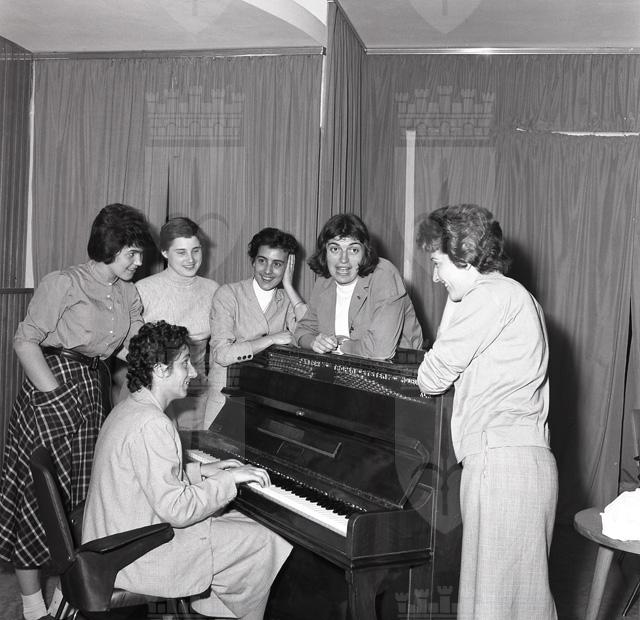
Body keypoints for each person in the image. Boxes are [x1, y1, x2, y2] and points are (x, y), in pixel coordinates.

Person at [0, 203, 153, 620]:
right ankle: (32, 606)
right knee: (40, 499)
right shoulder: (63, 283)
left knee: (82, 501)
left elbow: (131, 346)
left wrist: (159, 361)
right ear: (110, 247)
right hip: (52, 385)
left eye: (140, 254)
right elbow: (25, 341)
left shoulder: (127, 292)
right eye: (132, 253)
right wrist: (54, 395)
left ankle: (64, 597)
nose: (138, 262)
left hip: (92, 390)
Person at [82, 321, 292, 620]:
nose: (193, 372)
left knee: (246, 526)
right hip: (134, 555)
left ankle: (210, 610)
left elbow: (147, 479)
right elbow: (177, 510)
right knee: (265, 540)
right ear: (160, 370)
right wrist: (227, 479)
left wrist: (202, 471)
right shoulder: (152, 423)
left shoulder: (131, 407)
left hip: (117, 540)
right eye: (184, 364)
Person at [415, 204, 557, 619]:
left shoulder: (488, 296)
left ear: (464, 254)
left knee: (492, 606)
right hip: (522, 462)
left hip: (500, 464)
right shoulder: (515, 296)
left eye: (438, 263)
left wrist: (456, 301)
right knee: (520, 604)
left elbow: (431, 377)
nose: (435, 277)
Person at [204, 227, 307, 428]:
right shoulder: (228, 294)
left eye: (277, 264)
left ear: (287, 268)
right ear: (253, 261)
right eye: (262, 261)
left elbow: (307, 337)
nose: (268, 271)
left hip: (266, 406)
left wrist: (289, 286)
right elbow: (222, 354)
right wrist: (270, 339)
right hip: (225, 401)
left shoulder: (287, 301)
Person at [293, 213, 423, 360]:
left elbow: (380, 350)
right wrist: (314, 342)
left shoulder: (385, 275)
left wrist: (341, 344)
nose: (343, 259)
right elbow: (301, 331)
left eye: (353, 250)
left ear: (365, 252)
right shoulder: (324, 281)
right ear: (324, 252)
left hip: (396, 367)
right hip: (344, 367)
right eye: (335, 249)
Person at [135, 217, 219, 429]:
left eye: (196, 250)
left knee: (193, 447)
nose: (191, 259)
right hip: (154, 391)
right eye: (181, 252)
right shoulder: (143, 290)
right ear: (165, 252)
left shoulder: (213, 290)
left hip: (195, 389)